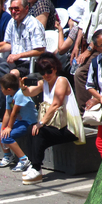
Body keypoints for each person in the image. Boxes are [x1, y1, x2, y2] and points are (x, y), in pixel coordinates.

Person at [19, 52, 85, 184]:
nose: (46, 75)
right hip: (55, 125)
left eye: (49, 71)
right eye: (42, 72)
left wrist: (41, 123)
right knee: (31, 129)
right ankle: (33, 165)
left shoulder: (61, 81)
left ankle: (37, 169)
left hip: (68, 128)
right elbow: (30, 92)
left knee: (39, 132)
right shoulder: (43, 82)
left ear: (55, 69)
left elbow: (56, 104)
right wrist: (23, 88)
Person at [0, 72, 38, 170]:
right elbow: (7, 113)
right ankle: (8, 155)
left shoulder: (20, 94)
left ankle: (24, 160)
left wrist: (8, 128)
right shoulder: (8, 95)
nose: (1, 90)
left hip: (28, 122)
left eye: (2, 88)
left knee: (6, 136)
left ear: (8, 89)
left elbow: (14, 113)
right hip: (18, 121)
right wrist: (2, 129)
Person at [0, 0, 46, 78]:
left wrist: (19, 56)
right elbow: (9, 44)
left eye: (17, 9)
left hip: (31, 63)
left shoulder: (34, 25)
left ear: (26, 8)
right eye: (11, 9)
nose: (13, 11)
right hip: (13, 61)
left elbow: (40, 51)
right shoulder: (11, 22)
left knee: (12, 75)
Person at [85, 30, 102, 157]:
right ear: (96, 47)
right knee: (100, 143)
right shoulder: (96, 63)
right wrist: (98, 97)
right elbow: (89, 85)